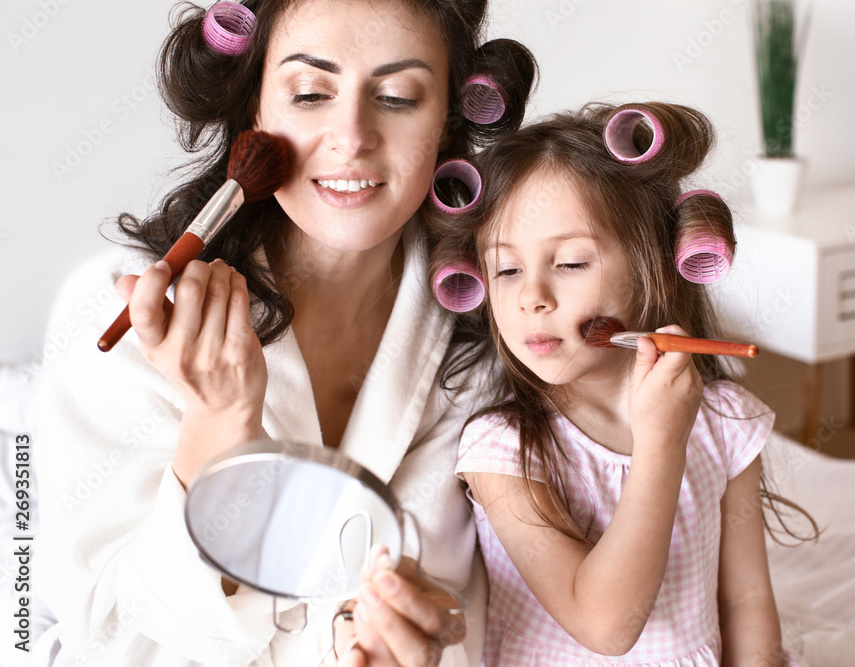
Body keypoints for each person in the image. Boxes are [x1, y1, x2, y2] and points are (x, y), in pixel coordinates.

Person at [32, 0, 535, 665]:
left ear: (446, 121)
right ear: (255, 113)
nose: (352, 135)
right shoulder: (116, 314)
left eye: (396, 96)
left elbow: (458, 611)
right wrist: (218, 427)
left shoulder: (481, 347)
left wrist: (395, 636)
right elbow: (108, 641)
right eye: (308, 93)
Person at [431, 102, 814, 665]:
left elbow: (747, 598)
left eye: (570, 263)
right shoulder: (502, 450)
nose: (532, 295)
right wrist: (661, 444)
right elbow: (606, 626)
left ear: (649, 269)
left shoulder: (727, 421)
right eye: (507, 269)